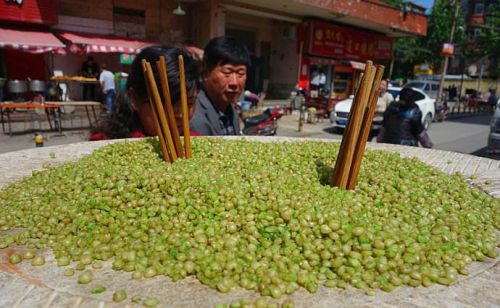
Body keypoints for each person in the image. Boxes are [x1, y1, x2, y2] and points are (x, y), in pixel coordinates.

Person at [89, 45, 199, 140]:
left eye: (189, 103)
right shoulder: (104, 145)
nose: (181, 114)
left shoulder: (199, 144)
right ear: (134, 99)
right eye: (167, 105)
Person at [190, 36, 250, 136]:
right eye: (227, 72)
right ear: (205, 74)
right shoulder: (193, 115)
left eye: (240, 73)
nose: (234, 83)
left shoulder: (231, 111)